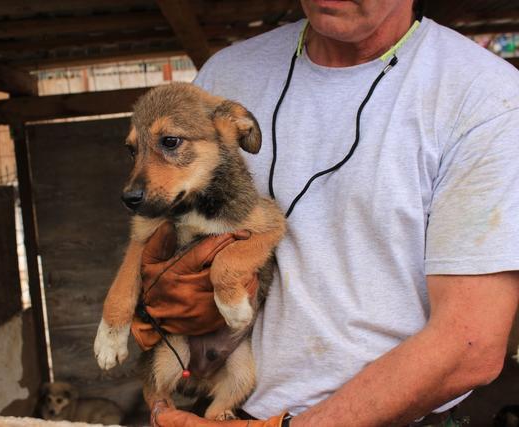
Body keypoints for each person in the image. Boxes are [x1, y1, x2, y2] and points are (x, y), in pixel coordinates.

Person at [148, 0, 519, 425]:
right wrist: (160, 330)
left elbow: (469, 344)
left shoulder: (485, 97)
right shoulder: (227, 77)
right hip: (227, 406)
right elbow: (165, 247)